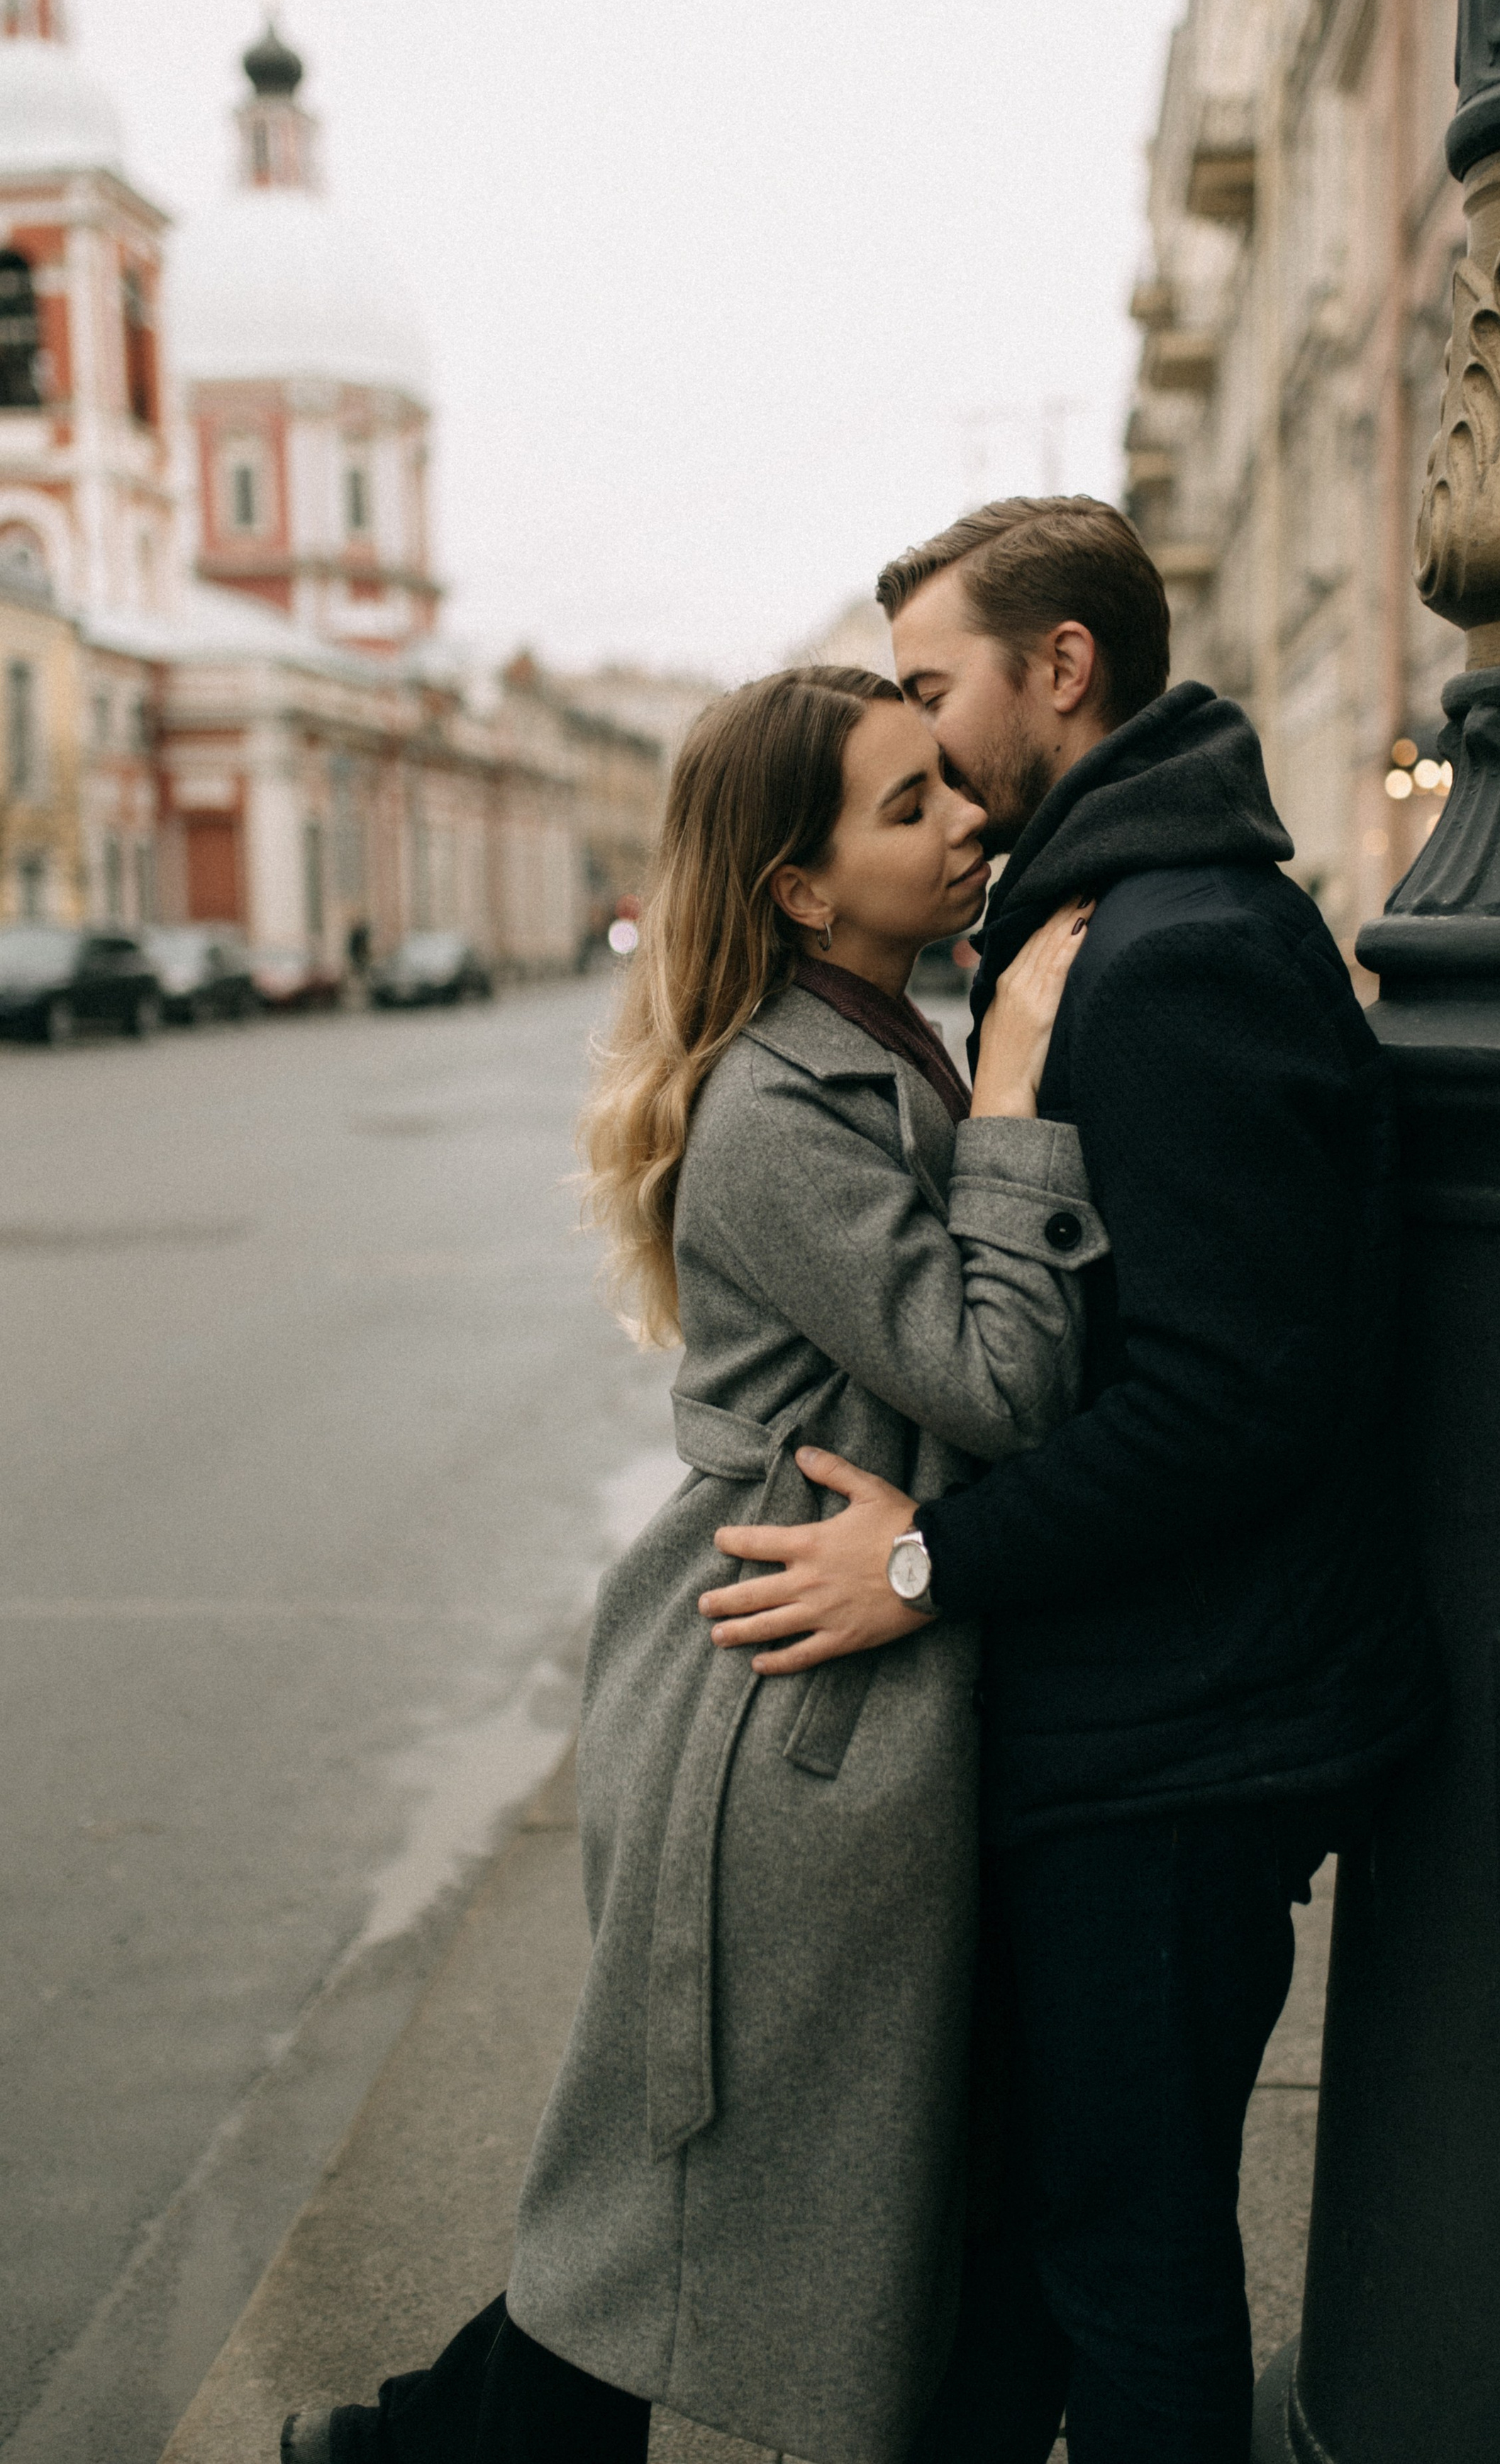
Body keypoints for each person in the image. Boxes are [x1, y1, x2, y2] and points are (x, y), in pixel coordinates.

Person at [281, 664, 1107, 2464]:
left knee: (695, 2181)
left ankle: (402, 2445)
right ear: (797, 888)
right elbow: (998, 1380)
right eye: (908, 804)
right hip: (780, 1720)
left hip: (823, 1673)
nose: (969, 818)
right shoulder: (778, 1105)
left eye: (949, 781)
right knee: (693, 2176)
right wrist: (1015, 1095)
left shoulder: (875, 1030)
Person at [706, 499, 1439, 2464]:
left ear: (1061, 669)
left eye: (932, 689)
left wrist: (926, 1564)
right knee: (1044, 2224)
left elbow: (1227, 1401)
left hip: (1179, 1736)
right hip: (1140, 1705)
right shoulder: (1095, 920)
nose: (922, 738)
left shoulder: (1168, 951)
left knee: (1127, 2254)